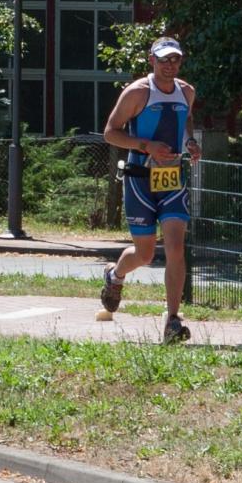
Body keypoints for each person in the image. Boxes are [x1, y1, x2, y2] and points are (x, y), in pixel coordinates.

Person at [100, 36, 201, 342]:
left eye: (175, 59)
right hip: (140, 179)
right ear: (152, 60)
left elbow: (186, 119)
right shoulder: (137, 92)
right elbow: (110, 133)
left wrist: (190, 141)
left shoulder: (187, 91)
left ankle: (172, 320)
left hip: (172, 179)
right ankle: (115, 275)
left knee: (175, 248)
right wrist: (147, 146)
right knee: (144, 254)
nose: (170, 65)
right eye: (164, 59)